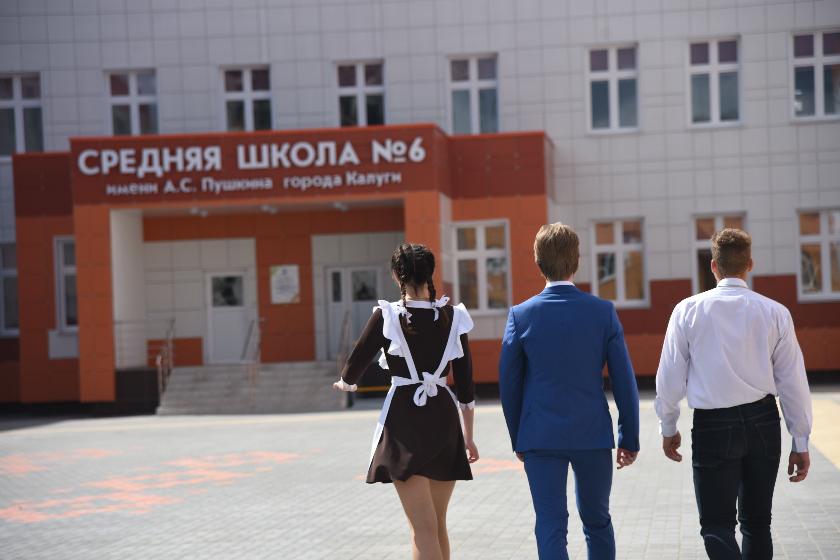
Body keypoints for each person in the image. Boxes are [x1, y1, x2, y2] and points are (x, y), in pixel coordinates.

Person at [655, 228, 813, 560]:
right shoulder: (775, 312)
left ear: (713, 266)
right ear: (749, 264)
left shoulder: (687, 311)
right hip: (763, 421)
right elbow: (793, 382)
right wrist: (800, 440)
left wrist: (668, 426)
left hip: (713, 425)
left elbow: (669, 378)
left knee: (717, 525)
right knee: (757, 524)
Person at [499, 222, 640, 560]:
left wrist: (519, 437)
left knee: (550, 524)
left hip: (540, 436)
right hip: (592, 434)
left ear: (537, 261)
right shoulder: (602, 312)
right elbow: (624, 380)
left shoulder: (520, 315)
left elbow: (509, 384)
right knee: (597, 520)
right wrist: (629, 437)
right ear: (577, 260)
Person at [333, 243, 479, 560]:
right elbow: (466, 387)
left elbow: (353, 366)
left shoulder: (387, 315)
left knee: (422, 528)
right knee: (436, 524)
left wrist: (345, 382)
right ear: (430, 273)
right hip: (443, 419)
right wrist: (469, 437)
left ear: (397, 276)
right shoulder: (453, 317)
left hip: (405, 420)